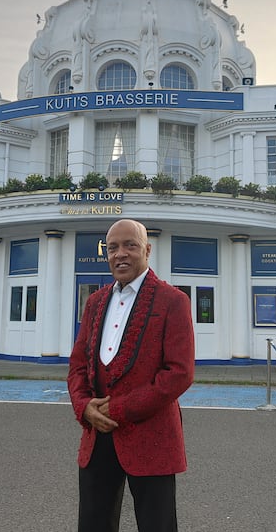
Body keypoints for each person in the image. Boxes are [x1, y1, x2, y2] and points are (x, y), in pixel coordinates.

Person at [68, 218, 195, 532]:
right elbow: (78, 366)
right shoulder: (95, 303)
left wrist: (119, 409)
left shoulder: (174, 301)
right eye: (112, 248)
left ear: (147, 250)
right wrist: (84, 406)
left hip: (152, 436)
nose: (120, 254)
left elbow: (179, 373)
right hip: (97, 437)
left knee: (157, 525)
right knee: (93, 524)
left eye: (130, 245)